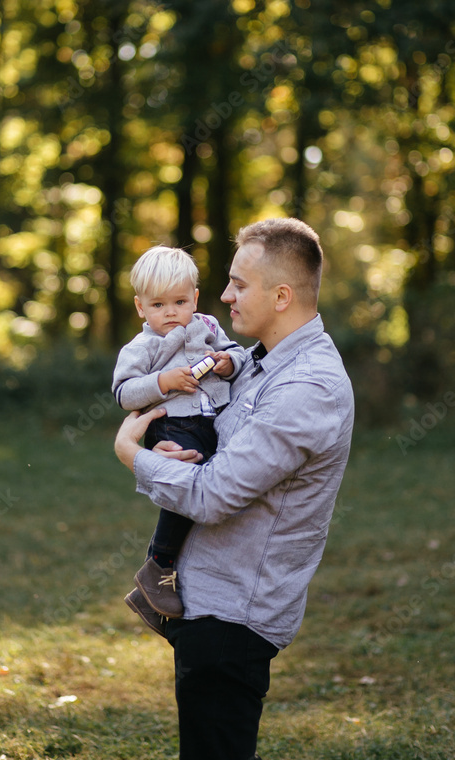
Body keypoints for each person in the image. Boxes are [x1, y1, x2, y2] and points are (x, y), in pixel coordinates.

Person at [114, 218, 355, 760]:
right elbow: (212, 440)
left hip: (234, 620)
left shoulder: (308, 388)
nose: (223, 297)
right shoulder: (257, 363)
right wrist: (172, 447)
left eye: (239, 285)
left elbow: (213, 496)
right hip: (204, 605)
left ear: (282, 295)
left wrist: (134, 455)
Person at [112, 245, 245, 620]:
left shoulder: (207, 327)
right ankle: (158, 564)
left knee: (214, 495)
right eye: (158, 305)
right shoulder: (143, 346)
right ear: (141, 307)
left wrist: (227, 362)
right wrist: (161, 381)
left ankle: (156, 594)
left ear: (195, 298)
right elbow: (124, 393)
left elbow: (237, 353)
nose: (171, 312)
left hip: (211, 424)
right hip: (171, 424)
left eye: (180, 301)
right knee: (186, 485)